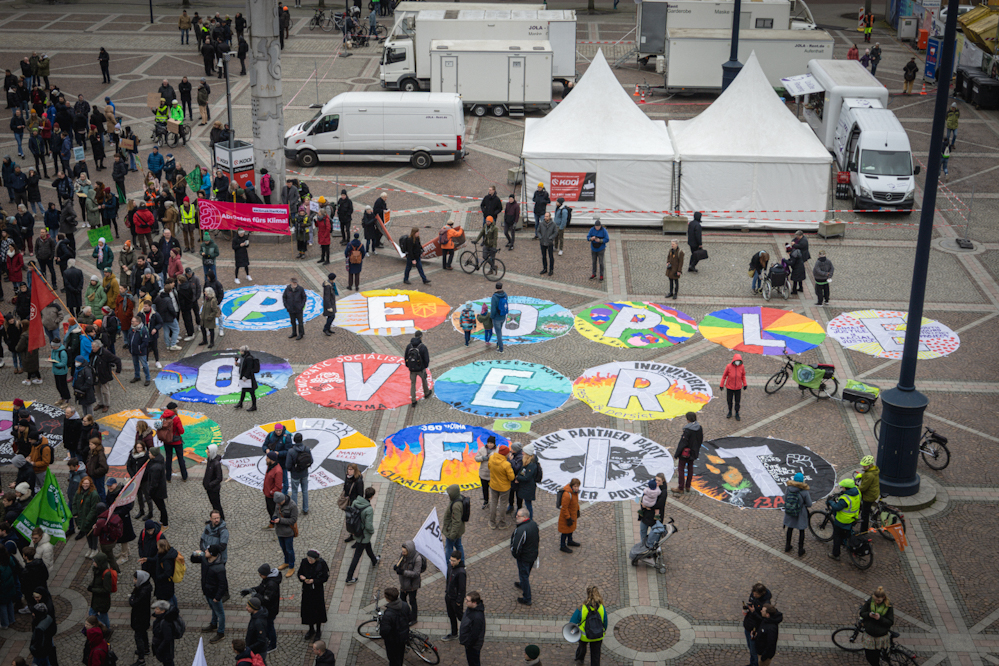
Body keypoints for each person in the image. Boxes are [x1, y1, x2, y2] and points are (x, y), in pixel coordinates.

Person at [345, 487, 379, 584]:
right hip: (363, 535)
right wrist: (372, 531)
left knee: (367, 546)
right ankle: (349, 578)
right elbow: (368, 525)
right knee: (357, 556)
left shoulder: (355, 502)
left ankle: (374, 560)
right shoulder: (368, 509)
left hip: (356, 531)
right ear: (372, 496)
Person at [570, 586, 607, 666]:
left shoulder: (582, 608)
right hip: (598, 635)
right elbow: (605, 622)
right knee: (596, 654)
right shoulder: (602, 608)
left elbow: (572, 622)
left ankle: (580, 659)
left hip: (584, 635)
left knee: (582, 647)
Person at [298, 549, 329, 640]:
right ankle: (311, 629)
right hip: (307, 591)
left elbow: (325, 577)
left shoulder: (321, 564)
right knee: (308, 610)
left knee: (318, 611)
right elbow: (300, 573)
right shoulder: (304, 562)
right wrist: (301, 577)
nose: (310, 561)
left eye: (311, 560)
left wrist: (314, 581)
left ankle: (318, 630)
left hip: (317, 591)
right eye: (309, 559)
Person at [827, 477, 861, 561]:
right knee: (847, 533)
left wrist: (831, 502)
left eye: (843, 487)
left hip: (843, 520)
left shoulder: (845, 499)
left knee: (837, 536)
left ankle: (835, 554)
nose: (842, 488)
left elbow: (837, 507)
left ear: (846, 488)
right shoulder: (857, 492)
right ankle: (846, 541)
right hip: (853, 517)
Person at [200, 544, 228, 644]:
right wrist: (194, 554)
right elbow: (193, 560)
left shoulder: (219, 568)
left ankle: (221, 633)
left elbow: (223, 584)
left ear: (212, 554)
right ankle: (213, 624)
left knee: (220, 613)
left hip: (214, 594)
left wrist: (218, 597)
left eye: (207, 551)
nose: (205, 551)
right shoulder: (205, 560)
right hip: (207, 591)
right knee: (213, 609)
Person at [510, 508, 538, 606]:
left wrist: (515, 554)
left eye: (518, 516)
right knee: (525, 573)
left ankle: (527, 598)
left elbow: (516, 546)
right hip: (532, 555)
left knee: (524, 575)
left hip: (524, 557)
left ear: (524, 517)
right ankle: (522, 584)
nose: (516, 517)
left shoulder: (521, 530)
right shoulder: (533, 524)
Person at [860, 586, 894, 666]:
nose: (876, 602)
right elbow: (862, 613)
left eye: (879, 600)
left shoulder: (888, 606)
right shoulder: (870, 601)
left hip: (880, 636)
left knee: (875, 656)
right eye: (875, 599)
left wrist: (880, 618)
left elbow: (890, 622)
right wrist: (869, 615)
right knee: (869, 656)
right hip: (869, 634)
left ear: (883, 598)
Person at [393, 540, 423, 625]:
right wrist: (396, 567)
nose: (402, 553)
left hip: (412, 584)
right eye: (402, 551)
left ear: (409, 551)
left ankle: (414, 618)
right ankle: (405, 615)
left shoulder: (417, 559)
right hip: (404, 583)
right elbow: (400, 563)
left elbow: (416, 573)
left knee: (412, 601)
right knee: (402, 600)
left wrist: (403, 572)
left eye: (404, 552)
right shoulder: (403, 555)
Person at [672, 412, 703, 494]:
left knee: (681, 468)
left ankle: (681, 487)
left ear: (688, 419)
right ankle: (688, 486)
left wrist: (677, 454)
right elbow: (700, 440)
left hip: (685, 453)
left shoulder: (688, 430)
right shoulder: (699, 428)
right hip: (693, 452)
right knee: (690, 468)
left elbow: (683, 443)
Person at [379, 587, 411, 666]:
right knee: (400, 655)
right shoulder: (404, 605)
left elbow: (384, 631)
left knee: (393, 659)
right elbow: (409, 617)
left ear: (387, 598)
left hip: (393, 640)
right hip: (403, 635)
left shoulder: (388, 614)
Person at [782, 472, 812, 556]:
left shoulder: (789, 488)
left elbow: (785, 498)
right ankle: (800, 549)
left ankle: (787, 546)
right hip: (800, 512)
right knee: (801, 530)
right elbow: (809, 504)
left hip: (790, 511)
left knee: (790, 528)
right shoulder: (804, 491)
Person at [741, 583, 771, 666]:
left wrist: (753, 612)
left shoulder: (766, 604)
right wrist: (747, 610)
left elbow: (763, 620)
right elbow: (750, 604)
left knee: (754, 650)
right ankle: (752, 663)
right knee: (750, 648)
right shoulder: (753, 595)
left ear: (762, 593)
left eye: (756, 594)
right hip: (748, 625)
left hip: (755, 630)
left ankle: (755, 664)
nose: (754, 595)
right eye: (753, 593)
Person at [488, 445, 515, 530]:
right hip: (504, 488)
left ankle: (492, 522)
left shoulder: (491, 458)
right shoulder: (506, 464)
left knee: (493, 503)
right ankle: (502, 523)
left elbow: (489, 467)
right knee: (503, 504)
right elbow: (511, 477)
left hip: (493, 485)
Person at [130, 570, 154, 665]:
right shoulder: (146, 587)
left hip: (139, 617)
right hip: (144, 615)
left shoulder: (142, 591)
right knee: (143, 632)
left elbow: (133, 602)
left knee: (138, 636)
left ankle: (141, 659)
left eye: (135, 579)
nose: (134, 580)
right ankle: (146, 648)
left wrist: (131, 597)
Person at [442, 551, 466, 641]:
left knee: (460, 617)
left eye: (454, 561)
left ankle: (468, 630)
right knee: (451, 616)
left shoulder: (461, 572)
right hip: (449, 596)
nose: (451, 562)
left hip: (455, 599)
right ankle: (454, 633)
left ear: (459, 560)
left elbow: (462, 589)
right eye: (451, 560)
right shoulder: (449, 566)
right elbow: (448, 580)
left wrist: (459, 601)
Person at [405, 330, 432, 408]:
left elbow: (406, 357)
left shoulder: (409, 346)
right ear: (421, 337)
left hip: (412, 369)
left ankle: (413, 400)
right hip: (420, 368)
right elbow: (426, 359)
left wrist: (409, 366)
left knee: (413, 384)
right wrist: (425, 366)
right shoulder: (422, 347)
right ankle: (426, 393)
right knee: (424, 380)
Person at [87, 552, 114, 627]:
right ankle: (106, 628)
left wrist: (93, 589)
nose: (93, 563)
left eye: (95, 561)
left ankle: (105, 627)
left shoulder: (106, 574)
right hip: (97, 599)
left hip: (102, 600)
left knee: (96, 614)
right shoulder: (97, 570)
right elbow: (96, 581)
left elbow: (107, 590)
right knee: (100, 615)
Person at [286, 433, 312, 515]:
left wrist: (292, 470)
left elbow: (288, 465)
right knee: (305, 491)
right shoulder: (306, 449)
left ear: (294, 440)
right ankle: (305, 509)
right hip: (304, 473)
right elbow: (311, 461)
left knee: (294, 492)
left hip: (295, 474)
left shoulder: (291, 451)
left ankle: (294, 510)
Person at [151, 599, 181, 666]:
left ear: (163, 611)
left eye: (157, 609)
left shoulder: (165, 623)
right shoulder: (160, 619)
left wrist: (159, 649)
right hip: (163, 649)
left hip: (166, 651)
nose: (155, 610)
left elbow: (167, 638)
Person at [458, 591, 485, 666]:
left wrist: (468, 644)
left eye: (467, 600)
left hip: (473, 646)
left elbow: (475, 634)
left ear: (474, 602)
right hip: (469, 643)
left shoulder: (477, 617)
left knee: (473, 662)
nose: (465, 602)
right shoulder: (471, 608)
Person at [341, 463, 364, 542]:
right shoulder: (347, 477)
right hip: (349, 502)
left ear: (355, 470)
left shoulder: (358, 481)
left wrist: (357, 504)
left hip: (355, 504)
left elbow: (360, 494)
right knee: (349, 520)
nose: (349, 471)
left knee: (355, 521)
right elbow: (345, 487)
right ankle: (352, 534)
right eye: (348, 469)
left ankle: (357, 536)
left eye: (351, 469)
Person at [145, 448, 169, 527]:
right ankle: (162, 521)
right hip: (160, 489)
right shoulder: (159, 460)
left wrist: (150, 493)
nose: (148, 454)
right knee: (162, 507)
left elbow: (154, 483)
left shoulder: (155, 467)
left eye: (150, 453)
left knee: (161, 507)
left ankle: (165, 523)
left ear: (154, 455)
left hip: (157, 492)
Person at [558, 478, 582, 553]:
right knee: (565, 532)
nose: (577, 488)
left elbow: (576, 503)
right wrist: (568, 518)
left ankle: (570, 541)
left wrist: (577, 510)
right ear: (572, 486)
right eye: (575, 486)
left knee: (571, 529)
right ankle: (562, 546)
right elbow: (564, 508)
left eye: (578, 486)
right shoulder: (567, 495)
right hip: (567, 517)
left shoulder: (575, 493)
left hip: (572, 515)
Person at [857, 455, 880, 533]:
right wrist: (862, 476)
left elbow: (863, 488)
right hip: (874, 492)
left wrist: (856, 489)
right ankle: (869, 511)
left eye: (865, 465)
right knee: (867, 508)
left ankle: (863, 531)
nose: (863, 466)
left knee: (864, 514)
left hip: (869, 496)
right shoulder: (874, 470)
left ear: (870, 465)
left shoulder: (869, 475)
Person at [721, 353, 747, 420]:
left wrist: (745, 384)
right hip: (729, 387)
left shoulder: (742, 367)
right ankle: (730, 411)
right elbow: (724, 376)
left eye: (739, 361)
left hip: (738, 388)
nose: (737, 362)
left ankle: (737, 413)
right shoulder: (728, 366)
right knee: (729, 401)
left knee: (737, 401)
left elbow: (743, 376)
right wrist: (721, 385)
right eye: (737, 360)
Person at [234, 346, 258, 412]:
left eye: (241, 351)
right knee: (243, 391)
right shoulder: (244, 357)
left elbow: (249, 368)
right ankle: (240, 403)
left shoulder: (249, 358)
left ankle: (254, 406)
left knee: (252, 392)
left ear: (244, 351)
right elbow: (244, 365)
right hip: (245, 378)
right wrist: (238, 364)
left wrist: (245, 376)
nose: (240, 352)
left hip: (248, 378)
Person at [203, 446, 225, 519]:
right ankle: (214, 518)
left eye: (209, 452)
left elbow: (219, 478)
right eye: (207, 451)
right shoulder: (210, 460)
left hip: (213, 489)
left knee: (217, 505)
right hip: (209, 488)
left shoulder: (216, 463)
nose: (207, 453)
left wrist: (210, 485)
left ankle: (221, 519)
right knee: (214, 505)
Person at [489, 282, 508, 353]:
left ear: (496, 287)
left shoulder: (494, 297)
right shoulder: (505, 294)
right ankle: (498, 345)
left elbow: (493, 309)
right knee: (499, 331)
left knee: (498, 333)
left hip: (496, 318)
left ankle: (501, 348)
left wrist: (491, 317)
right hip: (503, 316)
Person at [537, 212, 556, 276]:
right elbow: (538, 231)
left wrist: (551, 238)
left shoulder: (553, 224)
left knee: (551, 257)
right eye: (545, 216)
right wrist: (540, 237)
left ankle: (551, 269)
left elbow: (555, 232)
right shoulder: (541, 224)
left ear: (550, 217)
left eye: (547, 216)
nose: (545, 218)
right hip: (542, 242)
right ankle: (545, 268)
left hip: (549, 243)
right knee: (544, 256)